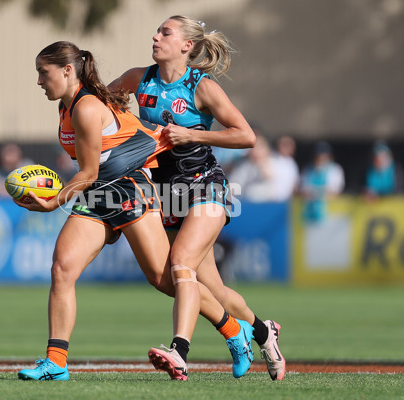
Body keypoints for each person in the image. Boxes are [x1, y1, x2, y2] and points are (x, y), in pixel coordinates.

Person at [15, 41, 254, 382]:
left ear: (68, 70)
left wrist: (53, 201)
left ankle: (235, 331)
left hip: (128, 188)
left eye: (44, 72)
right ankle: (56, 361)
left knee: (164, 280)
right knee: (61, 269)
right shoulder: (66, 108)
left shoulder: (84, 108)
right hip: (99, 193)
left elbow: (88, 173)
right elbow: (94, 169)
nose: (39, 81)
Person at [109, 15, 285, 381]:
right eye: (157, 31)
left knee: (181, 263)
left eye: (165, 33)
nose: (155, 36)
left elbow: (246, 136)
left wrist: (195, 136)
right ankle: (263, 333)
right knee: (213, 290)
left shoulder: (201, 87)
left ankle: (179, 352)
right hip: (167, 193)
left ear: (187, 46)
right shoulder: (137, 79)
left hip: (206, 185)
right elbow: (103, 107)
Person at [299, 141, 345, 223]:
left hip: (331, 215)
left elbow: (335, 192)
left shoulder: (335, 169)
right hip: (309, 215)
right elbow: (302, 190)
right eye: (318, 155)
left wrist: (316, 193)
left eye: (323, 155)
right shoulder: (307, 169)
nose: (320, 158)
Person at [229, 135, 277, 202]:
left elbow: (270, 177)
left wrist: (261, 164)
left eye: (258, 147)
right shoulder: (244, 165)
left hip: (268, 203)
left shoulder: (274, 162)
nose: (254, 151)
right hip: (247, 202)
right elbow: (234, 184)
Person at [272, 135, 299, 201]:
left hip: (286, 201)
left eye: (289, 145)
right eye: (284, 145)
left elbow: (294, 184)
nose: (287, 147)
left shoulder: (292, 163)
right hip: (272, 200)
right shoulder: (272, 159)